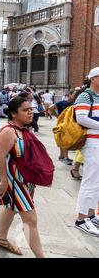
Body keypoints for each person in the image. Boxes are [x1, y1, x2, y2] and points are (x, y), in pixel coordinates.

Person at [0, 97, 45, 257]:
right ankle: (41, 256)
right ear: (13, 114)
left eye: (31, 109)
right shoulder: (8, 131)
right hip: (13, 180)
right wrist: (3, 180)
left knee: (10, 208)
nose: (30, 112)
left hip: (25, 179)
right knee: (31, 220)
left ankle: (1, 239)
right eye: (25, 110)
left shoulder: (24, 130)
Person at [73, 67, 99, 237]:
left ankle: (91, 214)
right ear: (94, 78)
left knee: (96, 181)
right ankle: (81, 219)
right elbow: (81, 118)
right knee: (90, 180)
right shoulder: (85, 95)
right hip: (92, 142)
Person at [49, 90, 76, 166]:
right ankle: (65, 157)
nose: (75, 96)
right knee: (65, 140)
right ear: (69, 95)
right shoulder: (63, 103)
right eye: (73, 94)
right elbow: (51, 108)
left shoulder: (74, 103)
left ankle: (61, 156)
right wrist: (58, 117)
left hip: (70, 124)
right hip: (63, 124)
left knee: (62, 140)